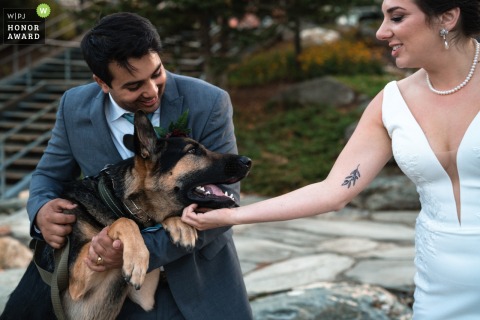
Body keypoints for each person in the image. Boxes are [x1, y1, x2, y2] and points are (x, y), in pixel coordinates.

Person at [182, 0, 480, 318]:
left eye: (397, 17)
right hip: (437, 288)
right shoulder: (392, 103)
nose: (381, 32)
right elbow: (333, 191)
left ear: (447, 16)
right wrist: (231, 216)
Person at [27, 12, 252, 320]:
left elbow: (227, 202)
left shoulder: (209, 101)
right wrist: (41, 211)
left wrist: (132, 249)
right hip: (110, 298)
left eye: (157, 73)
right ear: (102, 83)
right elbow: (47, 176)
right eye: (134, 86)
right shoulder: (73, 106)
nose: (152, 91)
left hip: (199, 284)